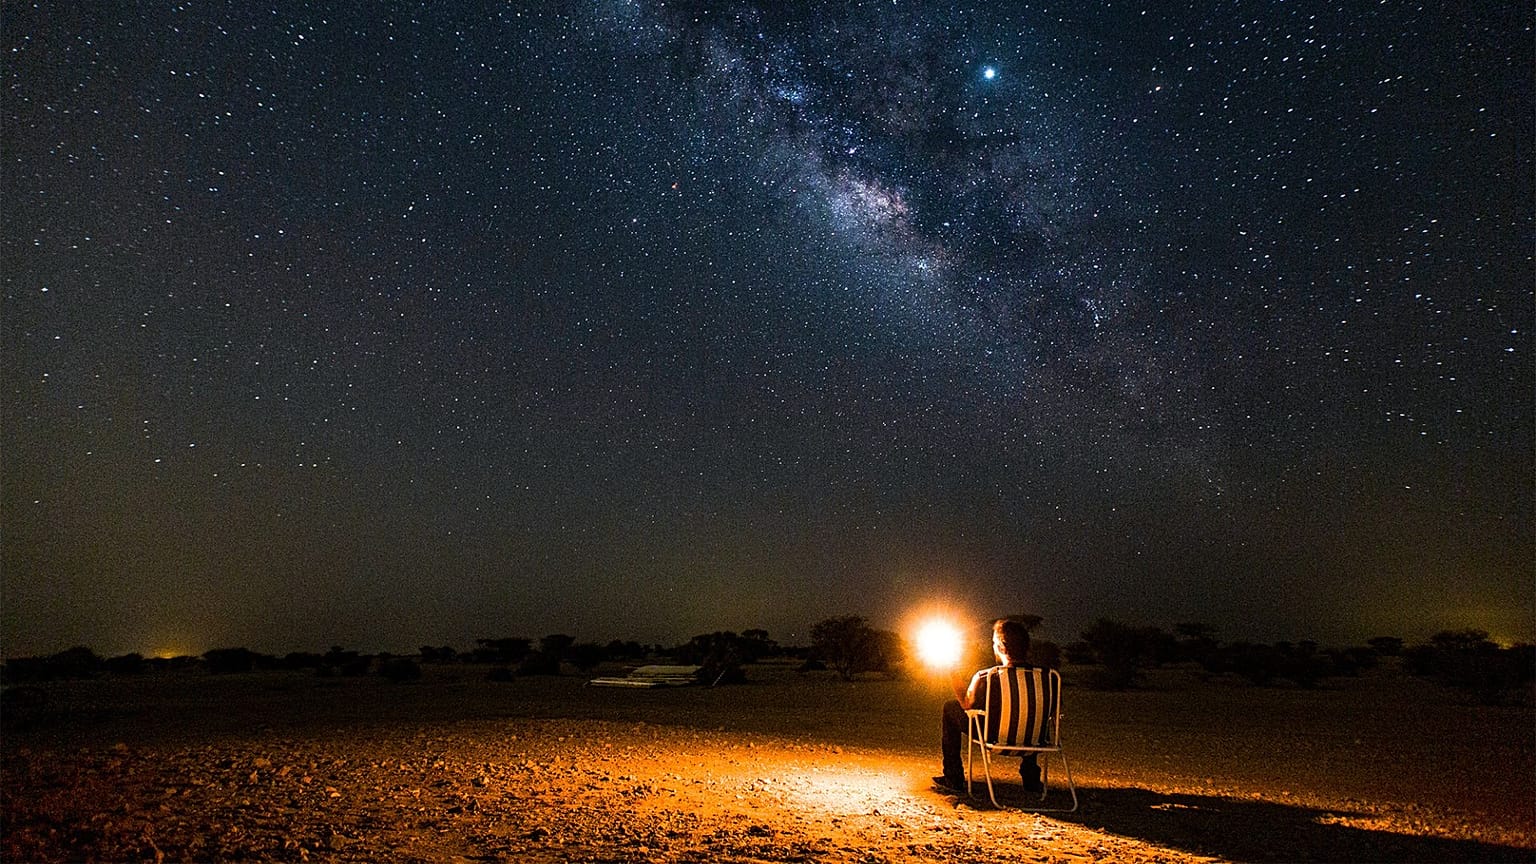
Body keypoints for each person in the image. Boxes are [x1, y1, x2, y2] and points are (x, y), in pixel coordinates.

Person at [934, 618, 1042, 793]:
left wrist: (952, 671)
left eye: (994, 642)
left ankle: (952, 777)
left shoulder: (987, 676)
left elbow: (966, 704)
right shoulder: (1047, 678)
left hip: (995, 736)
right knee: (1030, 714)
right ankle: (1031, 779)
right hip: (1035, 741)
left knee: (950, 707)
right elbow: (1052, 712)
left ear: (1000, 647)